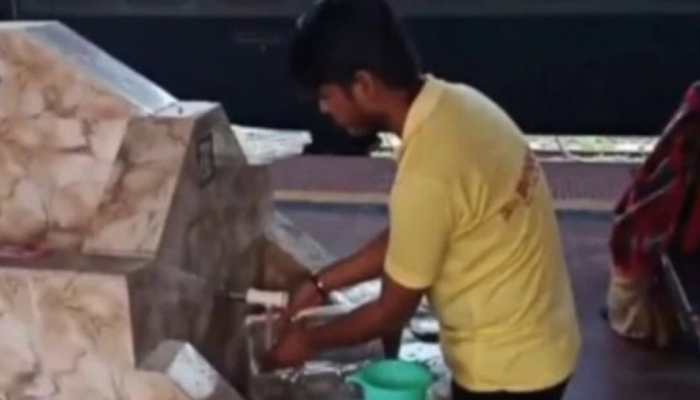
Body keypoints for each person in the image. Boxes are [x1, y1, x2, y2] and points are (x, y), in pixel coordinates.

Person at [266, 1, 581, 398]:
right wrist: (323, 281)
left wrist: (308, 343)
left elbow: (390, 313)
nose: (324, 109)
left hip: (508, 375)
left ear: (364, 85)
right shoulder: (457, 105)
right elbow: (414, 237)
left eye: (326, 95)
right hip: (547, 341)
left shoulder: (429, 172)